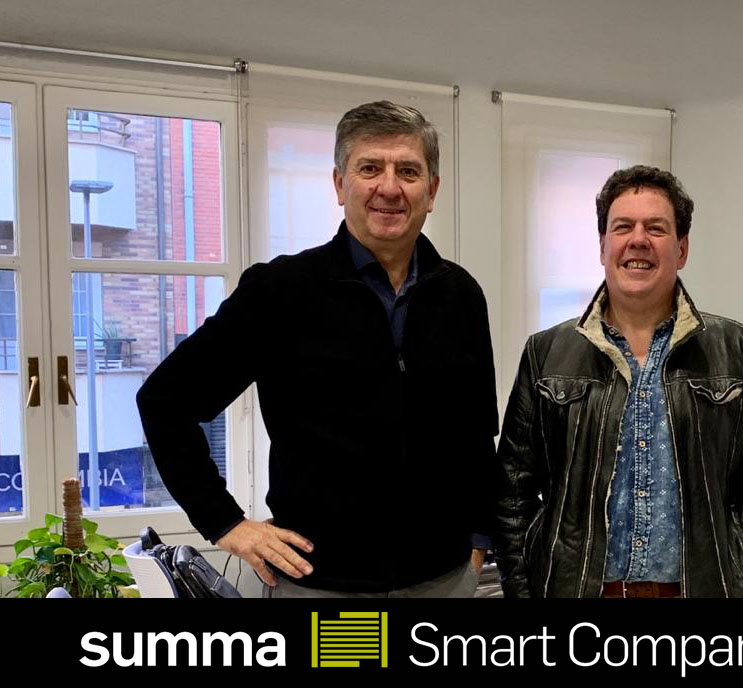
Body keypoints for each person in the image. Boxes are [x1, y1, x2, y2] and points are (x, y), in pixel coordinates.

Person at [137, 101, 497, 598]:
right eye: (369, 168)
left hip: (444, 579)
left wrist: (480, 537)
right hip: (325, 587)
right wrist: (224, 522)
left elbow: (477, 433)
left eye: (408, 171)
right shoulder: (280, 291)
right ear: (339, 184)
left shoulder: (461, 294)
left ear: (431, 191)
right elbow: (165, 402)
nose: (389, 187)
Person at [494, 165, 743, 598]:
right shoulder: (546, 353)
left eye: (656, 228)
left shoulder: (740, 351)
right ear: (603, 246)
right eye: (623, 227)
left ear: (682, 248)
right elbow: (512, 494)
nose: (638, 240)